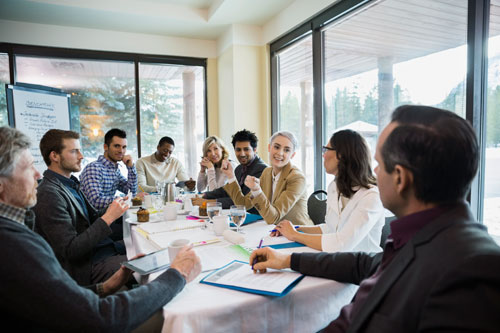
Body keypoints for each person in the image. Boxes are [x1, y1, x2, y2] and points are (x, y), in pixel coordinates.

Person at [250, 105, 500, 332]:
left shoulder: (473, 271)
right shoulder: (421, 236)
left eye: (379, 164)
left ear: (400, 178)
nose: (374, 172)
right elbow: (364, 263)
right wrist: (287, 259)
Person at [0, 126, 201, 331]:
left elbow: (56, 297)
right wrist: (177, 275)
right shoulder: (28, 222)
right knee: (178, 306)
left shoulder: (66, 187)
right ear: (55, 156)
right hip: (89, 266)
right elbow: (97, 312)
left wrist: (106, 287)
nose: (37, 174)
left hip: (96, 267)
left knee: (154, 253)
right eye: (27, 167)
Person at [33, 129, 132, 286]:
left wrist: (116, 207)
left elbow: (91, 216)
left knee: (148, 248)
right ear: (55, 156)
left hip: (101, 248)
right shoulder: (48, 194)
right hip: (88, 265)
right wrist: (109, 217)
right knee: (149, 264)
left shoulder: (70, 183)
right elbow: (71, 250)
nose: (81, 156)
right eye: (74, 151)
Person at [273, 130, 384, 253]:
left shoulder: (371, 196)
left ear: (341, 155)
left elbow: (340, 244)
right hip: (337, 261)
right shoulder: (334, 187)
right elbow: (330, 229)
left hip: (363, 268)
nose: (323, 155)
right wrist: (295, 229)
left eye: (326, 149)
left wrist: (294, 235)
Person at [222, 131, 313, 225]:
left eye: (286, 150)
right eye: (277, 147)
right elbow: (243, 204)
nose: (280, 153)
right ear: (269, 147)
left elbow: (274, 217)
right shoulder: (267, 172)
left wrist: (257, 191)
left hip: (298, 232)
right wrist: (230, 176)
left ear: (292, 155)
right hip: (275, 231)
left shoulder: (297, 178)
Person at [192, 129, 267, 211]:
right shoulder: (239, 168)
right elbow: (226, 190)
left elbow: (241, 201)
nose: (242, 154)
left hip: (257, 218)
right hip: (241, 214)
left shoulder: (262, 170)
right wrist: (205, 195)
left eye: (246, 149)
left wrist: (208, 202)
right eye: (238, 150)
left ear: (255, 149)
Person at [80, 128, 138, 210]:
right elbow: (96, 201)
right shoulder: (94, 168)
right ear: (105, 147)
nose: (121, 151)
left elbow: (131, 191)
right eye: (117, 146)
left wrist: (131, 168)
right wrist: (124, 199)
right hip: (97, 220)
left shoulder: (114, 170)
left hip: (110, 216)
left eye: (124, 147)